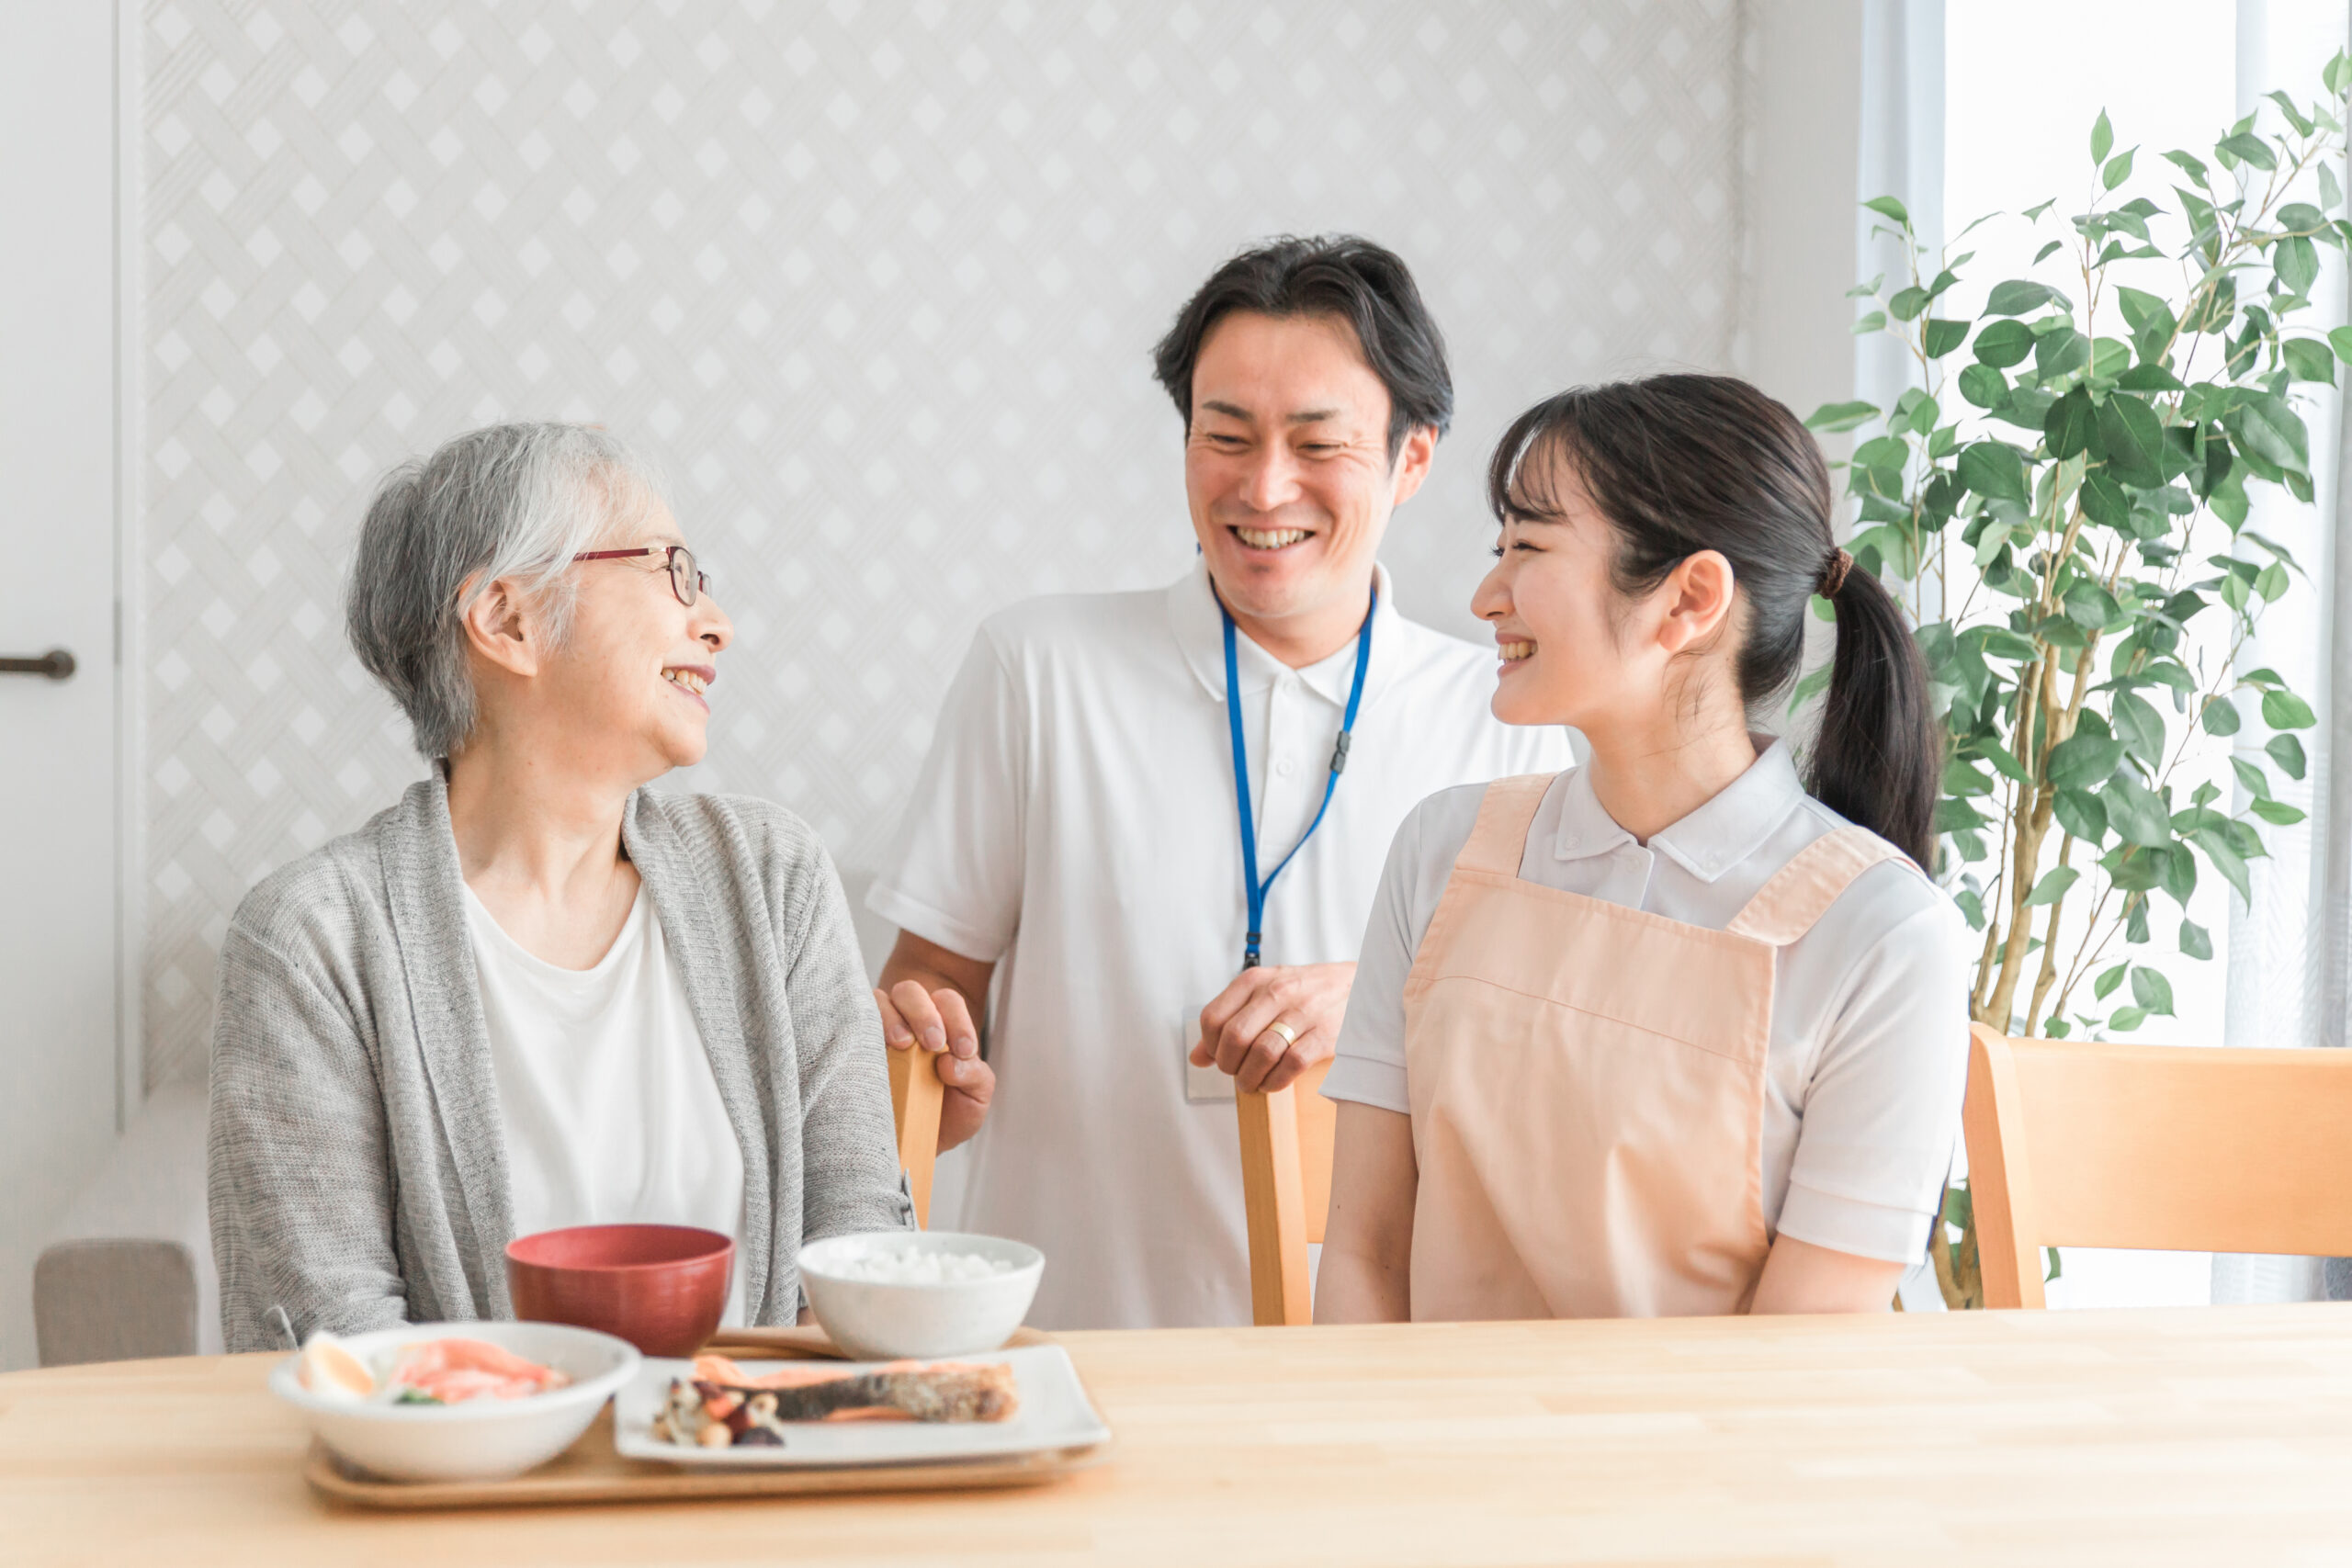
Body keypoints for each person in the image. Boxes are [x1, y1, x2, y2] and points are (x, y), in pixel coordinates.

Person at [865, 235, 1571, 1329]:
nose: (1263, 487)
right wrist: (917, 1066)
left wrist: (1389, 996)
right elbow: (928, 1005)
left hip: (1382, 1373)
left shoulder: (1511, 718)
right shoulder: (1039, 669)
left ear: (1412, 460)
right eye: (1224, 437)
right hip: (1071, 1343)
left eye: (1317, 443)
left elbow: (1558, 1069)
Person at [207, 423, 909, 1352]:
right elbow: (329, 1342)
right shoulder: (314, 939)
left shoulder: (773, 880)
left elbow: (859, 1256)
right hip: (464, 1485)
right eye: (672, 572)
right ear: (506, 620)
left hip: (756, 1470)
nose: (716, 621)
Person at [1317, 374, 1969, 1324]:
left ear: (1689, 598)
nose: (1484, 595)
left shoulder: (1883, 935)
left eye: (1528, 548)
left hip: (1716, 1464)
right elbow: (1365, 1257)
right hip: (1437, 1455)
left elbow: (1802, 1363)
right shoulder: (1442, 849)